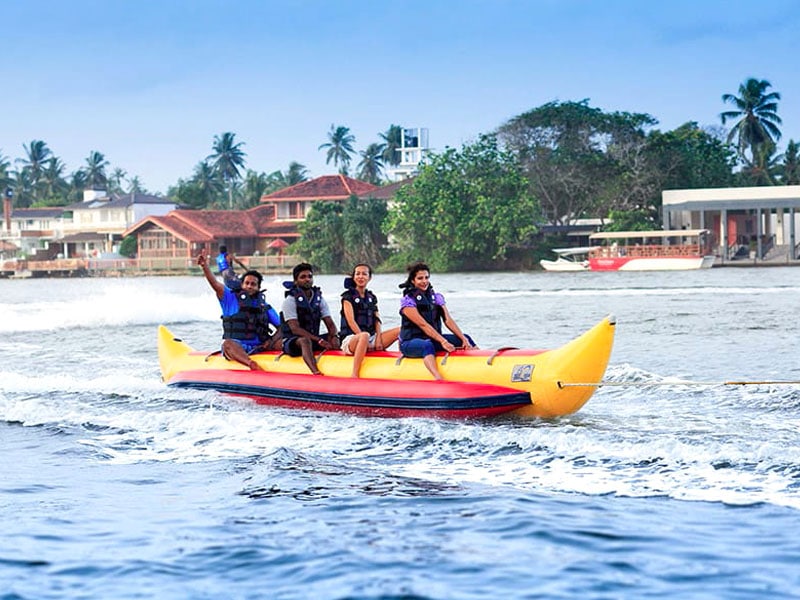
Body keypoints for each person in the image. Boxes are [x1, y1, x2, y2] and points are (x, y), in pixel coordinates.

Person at [198, 250, 281, 371]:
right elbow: (215, 284)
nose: (249, 286)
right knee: (227, 344)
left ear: (258, 288)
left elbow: (282, 326)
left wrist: (271, 340)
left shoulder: (264, 306)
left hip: (261, 346)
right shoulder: (229, 298)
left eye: (253, 284)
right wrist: (205, 267)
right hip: (238, 346)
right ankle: (250, 364)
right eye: (247, 283)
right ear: (241, 285)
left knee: (285, 341)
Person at [398, 261, 475, 380]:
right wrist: (443, 341)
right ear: (413, 280)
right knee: (426, 345)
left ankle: (483, 363)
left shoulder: (436, 297)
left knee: (465, 337)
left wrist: (463, 339)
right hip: (409, 343)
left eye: (426, 277)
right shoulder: (408, 301)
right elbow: (423, 325)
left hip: (433, 338)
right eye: (420, 278)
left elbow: (448, 320)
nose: (424, 281)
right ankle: (437, 377)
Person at [339, 263, 400, 378]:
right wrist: (364, 338)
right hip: (351, 339)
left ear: (369, 278)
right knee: (364, 335)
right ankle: (355, 374)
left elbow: (377, 320)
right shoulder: (347, 297)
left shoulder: (371, 297)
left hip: (370, 337)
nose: (360, 277)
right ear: (353, 277)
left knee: (400, 330)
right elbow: (351, 321)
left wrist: (377, 338)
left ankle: (402, 364)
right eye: (357, 274)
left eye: (364, 274)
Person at [280, 262, 340, 375]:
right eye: (303, 277)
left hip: (314, 339)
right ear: (296, 281)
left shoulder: (319, 299)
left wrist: (334, 337)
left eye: (310, 276)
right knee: (304, 341)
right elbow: (295, 329)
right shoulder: (290, 301)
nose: (307, 279)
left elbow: (330, 323)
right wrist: (319, 340)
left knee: (339, 336)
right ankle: (315, 371)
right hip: (292, 342)